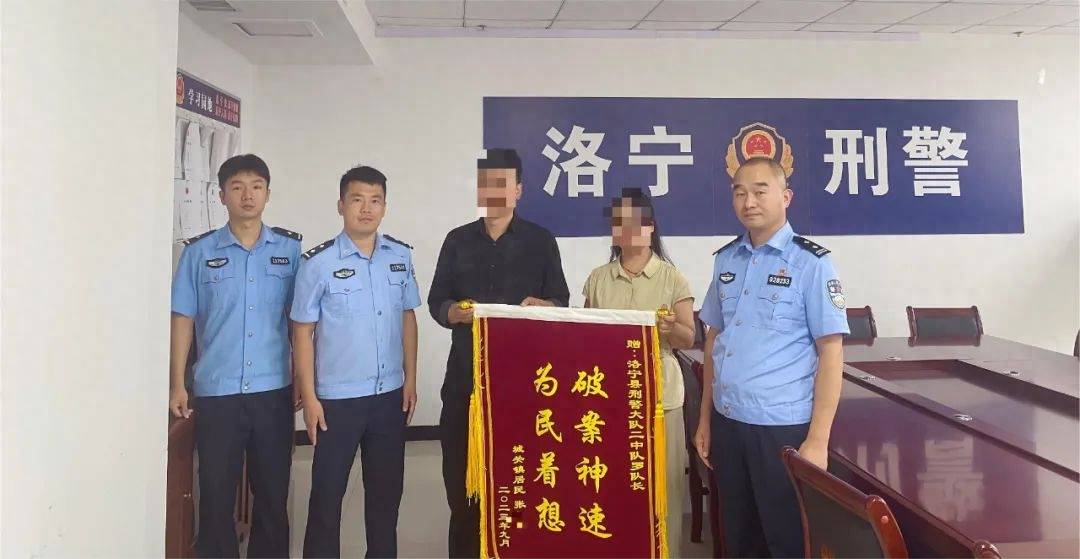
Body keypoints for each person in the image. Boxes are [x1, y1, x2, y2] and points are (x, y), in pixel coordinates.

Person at [694, 157, 849, 558]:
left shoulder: (812, 264)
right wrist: (705, 418)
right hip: (729, 423)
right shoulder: (727, 259)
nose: (749, 202)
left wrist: (818, 440)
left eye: (760, 191)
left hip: (781, 431)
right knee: (738, 538)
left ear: (786, 196)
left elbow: (831, 353)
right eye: (740, 192)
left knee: (786, 541)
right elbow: (714, 340)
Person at [427, 148, 570, 558]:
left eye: (502, 184)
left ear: (518, 190)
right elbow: (437, 301)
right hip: (465, 382)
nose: (493, 192)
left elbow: (560, 301)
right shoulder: (457, 240)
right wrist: (453, 312)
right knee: (462, 485)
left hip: (523, 386)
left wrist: (545, 306)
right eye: (485, 184)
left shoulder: (541, 241)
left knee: (518, 482)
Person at [169, 153, 301, 558]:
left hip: (272, 390)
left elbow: (302, 323)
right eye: (238, 187)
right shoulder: (198, 253)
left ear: (268, 194)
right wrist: (177, 384)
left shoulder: (290, 251)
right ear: (221, 195)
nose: (248, 195)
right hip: (217, 392)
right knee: (214, 495)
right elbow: (183, 318)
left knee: (272, 495)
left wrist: (303, 378)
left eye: (256, 187)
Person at [290, 166, 420, 558]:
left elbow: (407, 318)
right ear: (341, 205)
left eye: (375, 200)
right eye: (357, 199)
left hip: (388, 396)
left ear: (385, 207)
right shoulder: (318, 263)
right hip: (336, 401)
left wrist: (410, 379)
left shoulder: (399, 257)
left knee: (386, 497)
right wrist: (310, 397)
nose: (366, 209)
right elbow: (302, 333)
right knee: (327, 497)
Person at [582, 187, 696, 553]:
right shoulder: (598, 278)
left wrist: (669, 328)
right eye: (620, 223)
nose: (628, 230)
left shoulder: (672, 278)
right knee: (614, 484)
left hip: (661, 399)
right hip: (609, 398)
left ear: (651, 227)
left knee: (664, 487)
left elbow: (688, 337)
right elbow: (585, 335)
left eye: (636, 222)